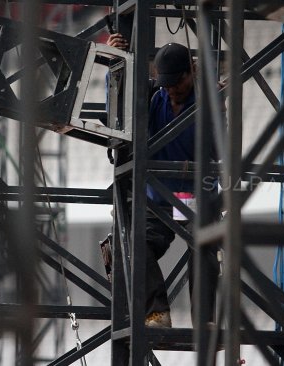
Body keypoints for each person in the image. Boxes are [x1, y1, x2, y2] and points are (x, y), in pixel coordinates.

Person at [106, 39, 220, 328]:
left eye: (177, 84)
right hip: (159, 201)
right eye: (166, 84)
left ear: (190, 72)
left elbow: (221, 150)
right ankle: (157, 313)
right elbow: (119, 100)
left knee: (204, 247)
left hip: (194, 198)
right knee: (133, 243)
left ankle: (205, 321)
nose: (171, 90)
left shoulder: (208, 101)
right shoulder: (154, 98)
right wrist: (114, 61)